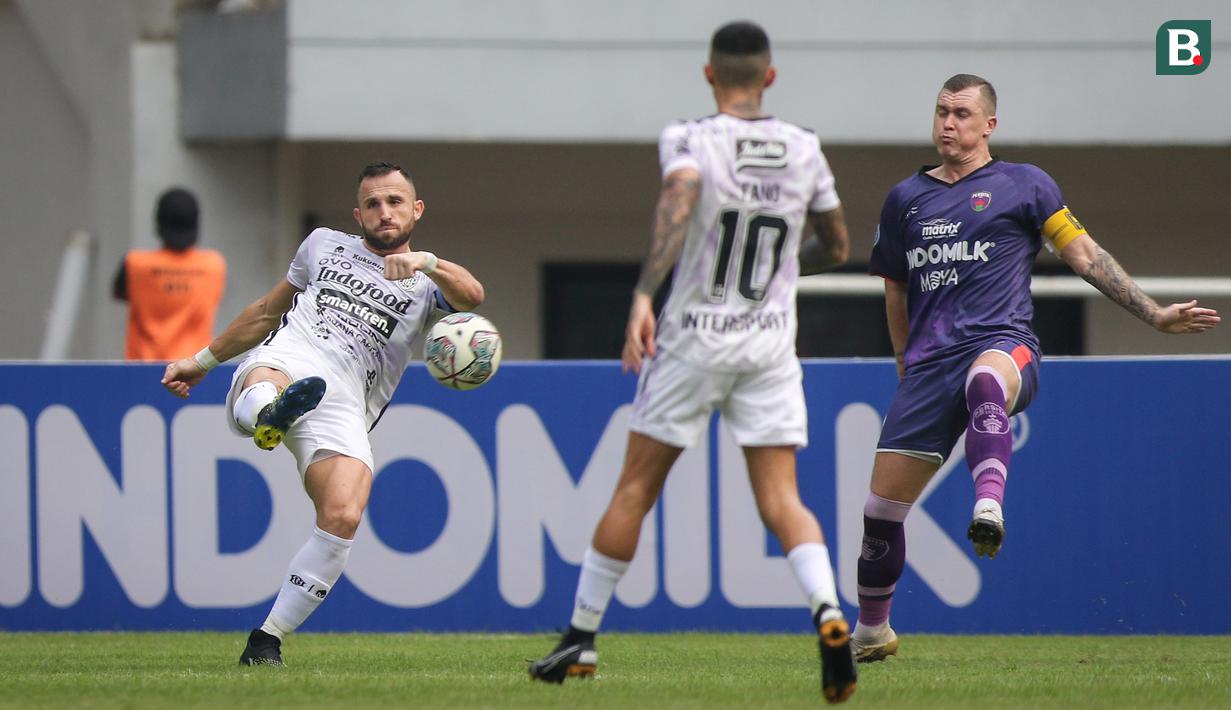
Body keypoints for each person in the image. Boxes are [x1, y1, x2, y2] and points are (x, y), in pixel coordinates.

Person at [529, 21, 857, 704]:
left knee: (633, 490)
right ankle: (828, 610)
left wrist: (643, 294)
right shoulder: (803, 147)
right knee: (782, 499)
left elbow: (678, 200)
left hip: (693, 339)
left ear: (709, 74)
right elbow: (837, 243)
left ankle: (580, 637)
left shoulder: (690, 136)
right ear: (769, 77)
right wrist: (782, 271)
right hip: (768, 343)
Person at [852, 74, 1221, 662]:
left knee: (984, 381)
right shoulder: (905, 199)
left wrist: (1153, 314)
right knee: (879, 514)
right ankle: (873, 632)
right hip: (926, 368)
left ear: (988, 125)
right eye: (942, 111)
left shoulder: (1026, 185)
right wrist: (904, 362)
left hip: (1004, 344)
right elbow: (895, 291)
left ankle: (989, 504)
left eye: (962, 114)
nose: (948, 123)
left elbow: (1083, 254)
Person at [161, 161, 484, 666]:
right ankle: (271, 414)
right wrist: (202, 361)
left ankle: (266, 640)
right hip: (297, 354)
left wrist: (426, 262)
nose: (384, 212)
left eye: (395, 202)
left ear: (416, 210)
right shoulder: (322, 245)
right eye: (373, 204)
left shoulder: (425, 284)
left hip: (348, 398)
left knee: (343, 514)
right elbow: (268, 313)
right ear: (358, 213)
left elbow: (474, 297)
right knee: (267, 379)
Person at [114, 187, 227, 360]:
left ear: (158, 222)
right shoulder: (213, 265)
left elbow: (119, 293)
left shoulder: (135, 264)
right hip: (193, 370)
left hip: (142, 370)